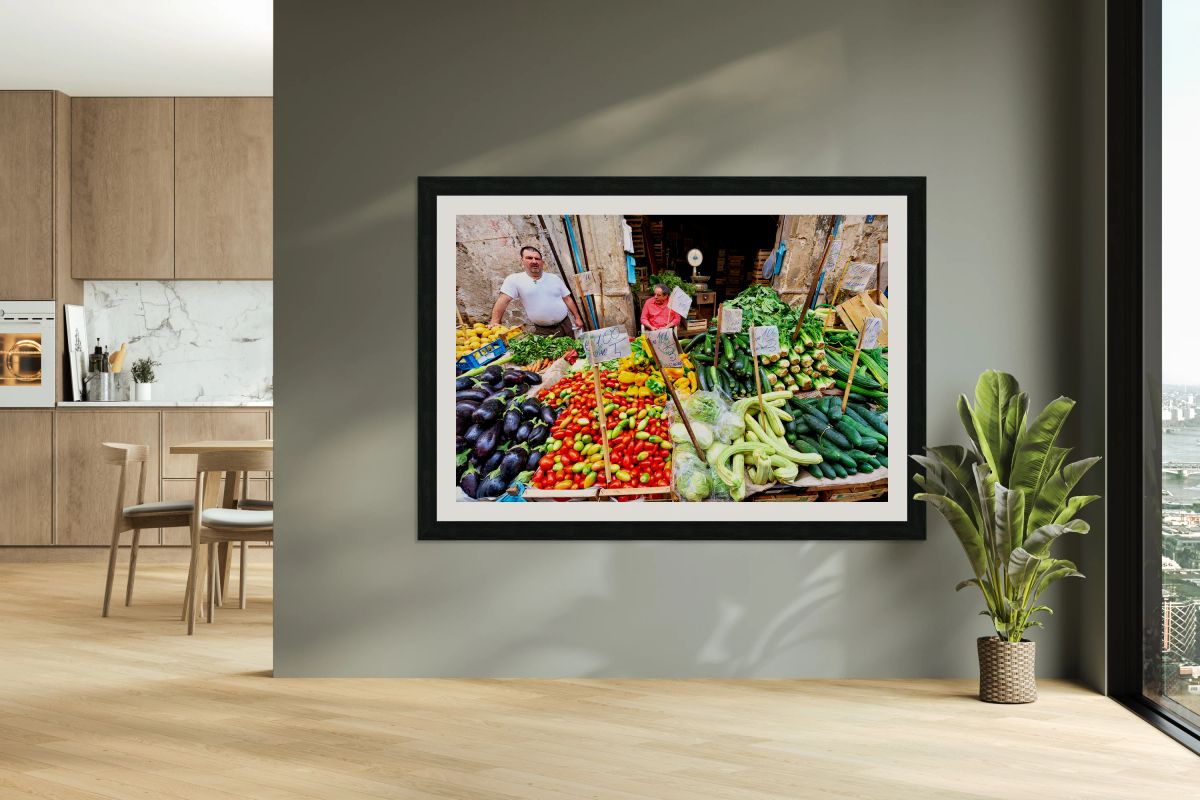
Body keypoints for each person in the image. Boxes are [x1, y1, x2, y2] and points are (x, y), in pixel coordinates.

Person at [490, 246, 583, 336]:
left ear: (542, 262)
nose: (534, 261)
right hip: (544, 331)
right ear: (522, 261)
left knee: (573, 350)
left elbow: (567, 298)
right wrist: (494, 322)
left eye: (537, 259)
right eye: (529, 258)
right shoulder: (514, 280)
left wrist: (577, 318)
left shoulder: (554, 278)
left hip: (565, 324)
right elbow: (503, 300)